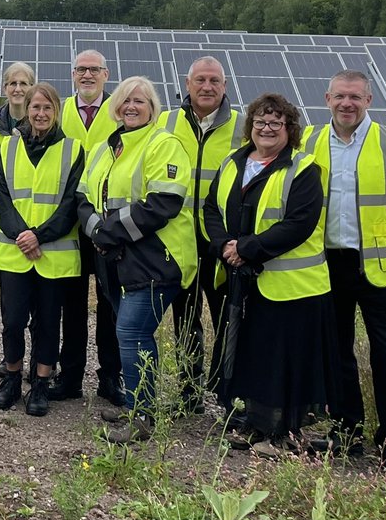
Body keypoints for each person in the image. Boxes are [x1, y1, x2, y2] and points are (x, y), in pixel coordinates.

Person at [300, 70, 386, 482]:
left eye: (355, 97)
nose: (347, 104)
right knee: (336, 351)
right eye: (340, 96)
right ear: (327, 98)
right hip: (327, 262)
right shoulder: (310, 141)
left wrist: (384, 239)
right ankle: (346, 432)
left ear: (369, 99)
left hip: (379, 266)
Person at [203, 92, 334, 458]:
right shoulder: (234, 162)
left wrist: (246, 249)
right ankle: (255, 421)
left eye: (277, 122)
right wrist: (224, 245)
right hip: (245, 280)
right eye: (261, 121)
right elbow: (211, 208)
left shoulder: (303, 168)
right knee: (255, 353)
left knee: (285, 360)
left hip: (293, 285)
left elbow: (299, 224)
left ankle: (283, 432)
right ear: (250, 126)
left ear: (290, 129)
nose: (267, 128)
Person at [77, 76, 197, 442]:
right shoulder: (104, 147)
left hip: (156, 259)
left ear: (153, 108)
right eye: (126, 100)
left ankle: (142, 416)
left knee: (132, 331)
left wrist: (107, 232)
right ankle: (134, 404)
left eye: (140, 101)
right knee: (127, 332)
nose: (131, 106)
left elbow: (163, 203)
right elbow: (83, 198)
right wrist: (97, 231)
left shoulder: (164, 144)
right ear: (116, 106)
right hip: (116, 258)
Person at [158, 56, 246, 414]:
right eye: (200, 80)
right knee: (186, 317)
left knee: (228, 318)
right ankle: (190, 391)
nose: (207, 87)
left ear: (224, 86)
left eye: (214, 81)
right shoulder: (166, 121)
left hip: (223, 241)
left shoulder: (243, 125)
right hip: (181, 240)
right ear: (187, 83)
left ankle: (227, 395)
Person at [0, 83, 84, 416]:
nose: (41, 114)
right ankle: (13, 378)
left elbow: (71, 204)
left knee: (48, 323)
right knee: (13, 321)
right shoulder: (6, 148)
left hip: (53, 253)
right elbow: (2, 200)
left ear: (56, 111)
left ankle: (41, 383)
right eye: (35, 108)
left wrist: (39, 236)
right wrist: (22, 234)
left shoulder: (74, 150)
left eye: (47, 108)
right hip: (14, 251)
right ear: (27, 110)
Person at [55, 49, 125, 405]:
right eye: (81, 69)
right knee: (71, 304)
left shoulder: (120, 110)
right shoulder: (60, 110)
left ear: (105, 74)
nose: (87, 75)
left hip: (107, 225)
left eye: (94, 69)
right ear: (72, 74)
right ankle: (69, 376)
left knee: (110, 303)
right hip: (67, 224)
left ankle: (110, 377)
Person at [0, 62, 36, 376]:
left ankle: (42, 362)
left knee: (39, 305)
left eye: (24, 83)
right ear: (4, 88)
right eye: (12, 83)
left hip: (34, 225)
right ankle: (11, 360)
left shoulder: (44, 120)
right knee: (10, 304)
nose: (18, 89)